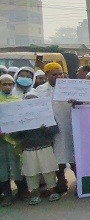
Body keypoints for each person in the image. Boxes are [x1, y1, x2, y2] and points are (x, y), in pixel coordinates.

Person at [32, 63, 74, 195]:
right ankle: (61, 181)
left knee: (74, 155)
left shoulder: (71, 87)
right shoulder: (39, 90)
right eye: (54, 74)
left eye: (60, 73)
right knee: (56, 157)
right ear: (46, 75)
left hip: (70, 126)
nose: (58, 76)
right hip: (51, 129)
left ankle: (80, 183)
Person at [12, 94, 60, 205]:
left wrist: (46, 129)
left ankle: (52, 191)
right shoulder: (20, 117)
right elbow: (14, 135)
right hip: (28, 149)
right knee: (30, 172)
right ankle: (34, 194)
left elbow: (55, 130)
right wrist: (17, 127)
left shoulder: (46, 114)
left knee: (49, 169)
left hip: (45, 146)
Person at [0, 74, 21, 206]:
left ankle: (22, 191)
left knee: (16, 165)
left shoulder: (17, 99)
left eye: (10, 84)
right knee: (2, 168)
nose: (8, 87)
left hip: (14, 139)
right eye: (4, 84)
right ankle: (7, 195)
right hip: (1, 140)